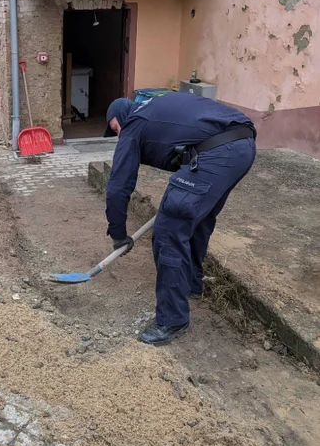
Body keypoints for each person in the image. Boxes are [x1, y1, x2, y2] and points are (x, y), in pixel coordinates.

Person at [104, 92, 256, 346]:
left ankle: (172, 319)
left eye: (115, 128)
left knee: (168, 231)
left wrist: (118, 234)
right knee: (197, 218)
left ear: (122, 117)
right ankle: (192, 283)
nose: (119, 136)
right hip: (242, 145)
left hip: (218, 151)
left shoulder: (134, 123)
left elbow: (118, 186)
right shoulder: (155, 110)